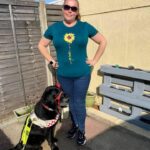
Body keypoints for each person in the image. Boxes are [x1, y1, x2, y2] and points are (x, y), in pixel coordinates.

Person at [38, 0, 107, 146]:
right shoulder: (54, 28)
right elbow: (41, 45)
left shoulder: (85, 27)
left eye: (73, 8)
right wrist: (51, 60)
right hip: (64, 75)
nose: (70, 10)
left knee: (79, 102)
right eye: (67, 7)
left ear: (77, 11)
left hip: (82, 74)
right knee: (72, 102)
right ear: (63, 9)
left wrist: (94, 60)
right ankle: (75, 126)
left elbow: (103, 41)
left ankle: (81, 131)